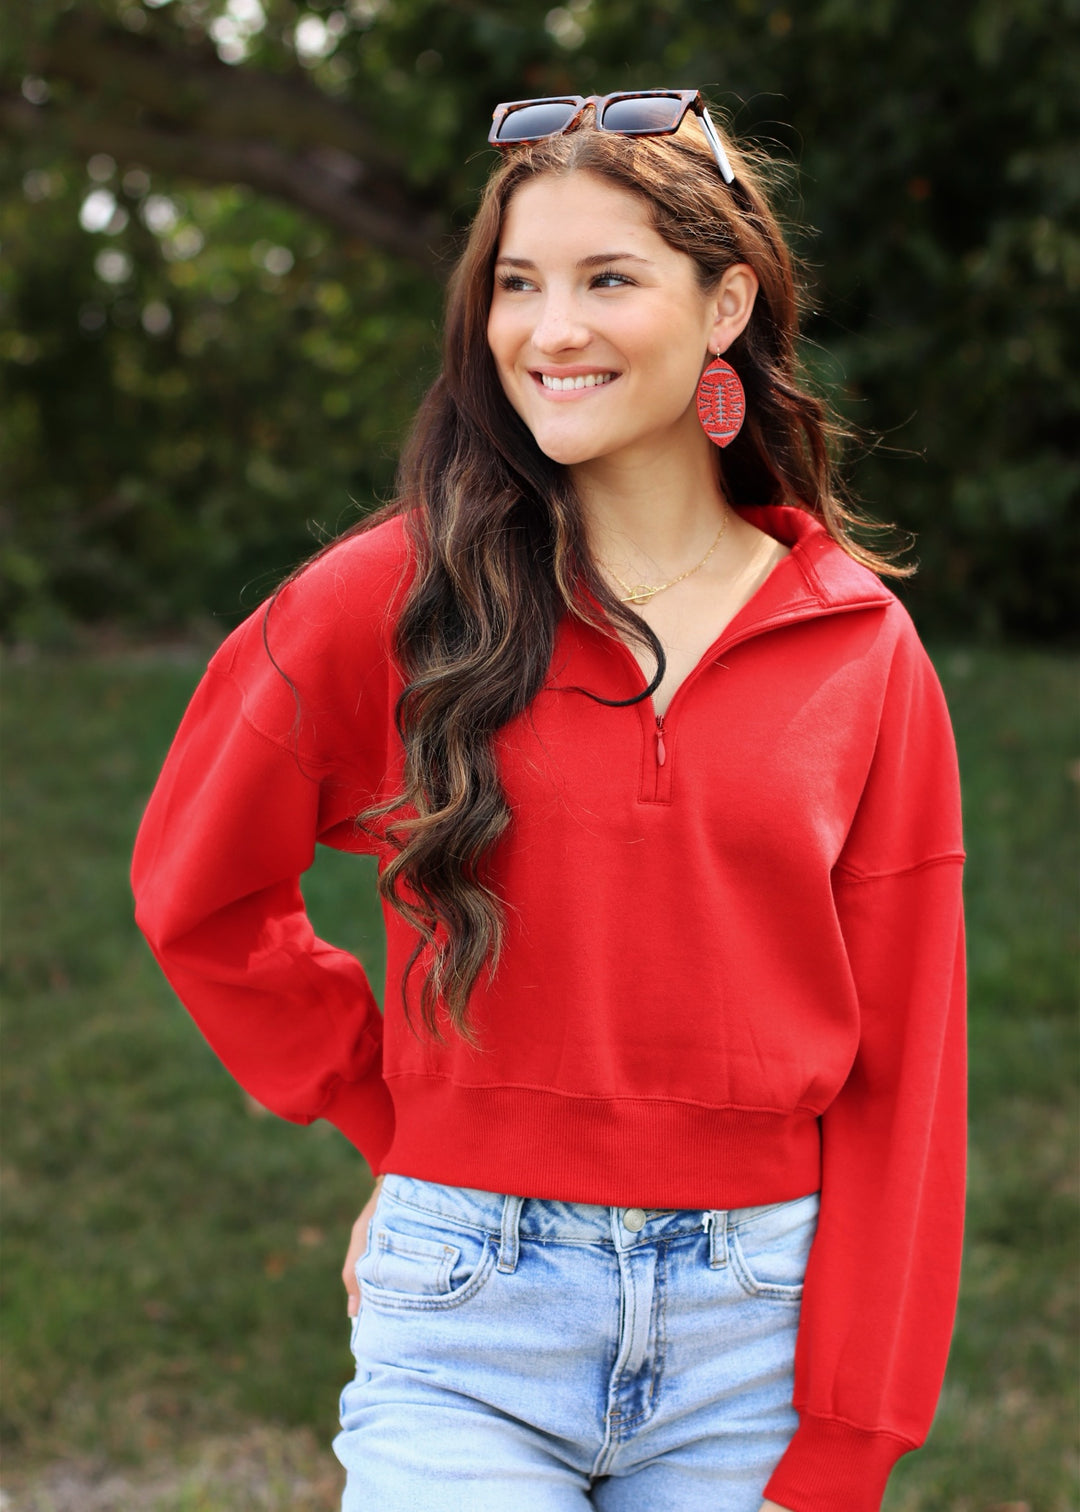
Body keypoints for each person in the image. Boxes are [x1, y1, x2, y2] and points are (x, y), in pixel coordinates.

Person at [131, 91, 967, 1512]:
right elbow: (197, 889)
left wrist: (851, 1434)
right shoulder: (395, 598)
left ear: (726, 308)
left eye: (606, 280)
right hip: (467, 1314)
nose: (548, 330)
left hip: (754, 1342)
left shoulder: (859, 648)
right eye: (516, 284)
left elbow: (910, 1081)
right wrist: (392, 1122)